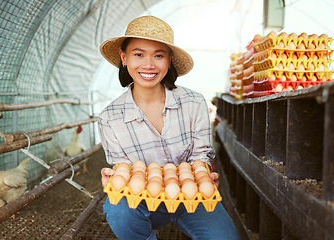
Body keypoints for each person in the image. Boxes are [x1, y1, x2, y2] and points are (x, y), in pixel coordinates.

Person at [98, 15, 239, 240]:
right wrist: (115, 181)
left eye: (159, 55)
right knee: (118, 210)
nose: (149, 64)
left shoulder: (194, 103)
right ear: (123, 58)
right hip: (143, 200)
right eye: (138, 54)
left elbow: (200, 155)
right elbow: (124, 169)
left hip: (190, 199)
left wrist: (203, 177)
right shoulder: (110, 118)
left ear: (169, 60)